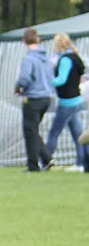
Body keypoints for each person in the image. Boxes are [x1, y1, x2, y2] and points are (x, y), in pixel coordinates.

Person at [46, 33, 88, 172]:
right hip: (77, 100)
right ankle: (81, 163)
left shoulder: (65, 59)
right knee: (78, 134)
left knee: (54, 133)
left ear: (58, 45)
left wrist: (48, 80)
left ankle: (46, 160)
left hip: (66, 102)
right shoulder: (76, 57)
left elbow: (61, 80)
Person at [15, 28, 55, 172]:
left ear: (24, 41)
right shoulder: (46, 59)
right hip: (47, 97)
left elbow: (24, 77)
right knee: (33, 130)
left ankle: (33, 164)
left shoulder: (29, 58)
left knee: (29, 131)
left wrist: (18, 87)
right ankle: (46, 158)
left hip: (33, 98)